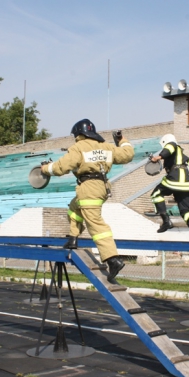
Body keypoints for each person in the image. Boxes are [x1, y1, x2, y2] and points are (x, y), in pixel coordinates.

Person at [42, 119, 134, 282]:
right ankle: (73, 238)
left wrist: (45, 169)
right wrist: (122, 140)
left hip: (88, 187)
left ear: (79, 134)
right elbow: (127, 154)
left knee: (95, 222)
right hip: (102, 186)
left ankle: (112, 259)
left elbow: (60, 168)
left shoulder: (79, 147)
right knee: (74, 207)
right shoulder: (106, 146)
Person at [149, 134, 189, 242]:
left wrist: (158, 157)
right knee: (186, 211)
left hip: (176, 180)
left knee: (156, 194)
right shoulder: (184, 157)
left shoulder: (173, 146)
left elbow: (170, 147)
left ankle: (166, 221)